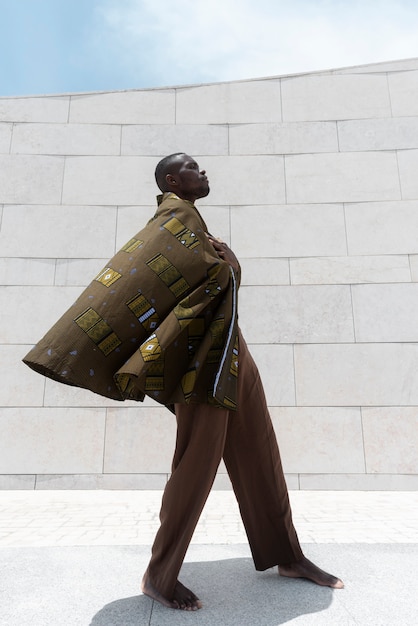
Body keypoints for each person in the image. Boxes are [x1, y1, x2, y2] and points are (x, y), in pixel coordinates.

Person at [23, 153, 343, 612]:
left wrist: (226, 266)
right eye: (193, 166)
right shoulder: (175, 216)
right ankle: (160, 573)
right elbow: (170, 277)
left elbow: (207, 280)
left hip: (230, 346)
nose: (204, 170)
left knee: (259, 449)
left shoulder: (191, 220)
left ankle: (287, 556)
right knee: (196, 462)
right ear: (173, 180)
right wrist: (232, 264)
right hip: (204, 360)